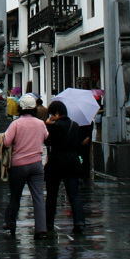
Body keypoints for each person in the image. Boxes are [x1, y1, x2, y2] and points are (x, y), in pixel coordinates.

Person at [3, 94, 50, 237]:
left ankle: (11, 223)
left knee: (15, 196)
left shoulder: (16, 124)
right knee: (38, 197)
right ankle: (41, 229)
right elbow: (45, 137)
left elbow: (6, 142)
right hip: (36, 164)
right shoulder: (40, 123)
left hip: (18, 165)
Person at [44, 100, 86, 234]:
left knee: (52, 195)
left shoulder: (53, 127)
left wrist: (47, 125)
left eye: (52, 115)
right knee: (74, 194)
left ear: (57, 113)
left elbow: (47, 142)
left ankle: (49, 222)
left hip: (56, 162)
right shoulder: (75, 125)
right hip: (72, 162)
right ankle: (79, 222)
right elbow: (79, 144)